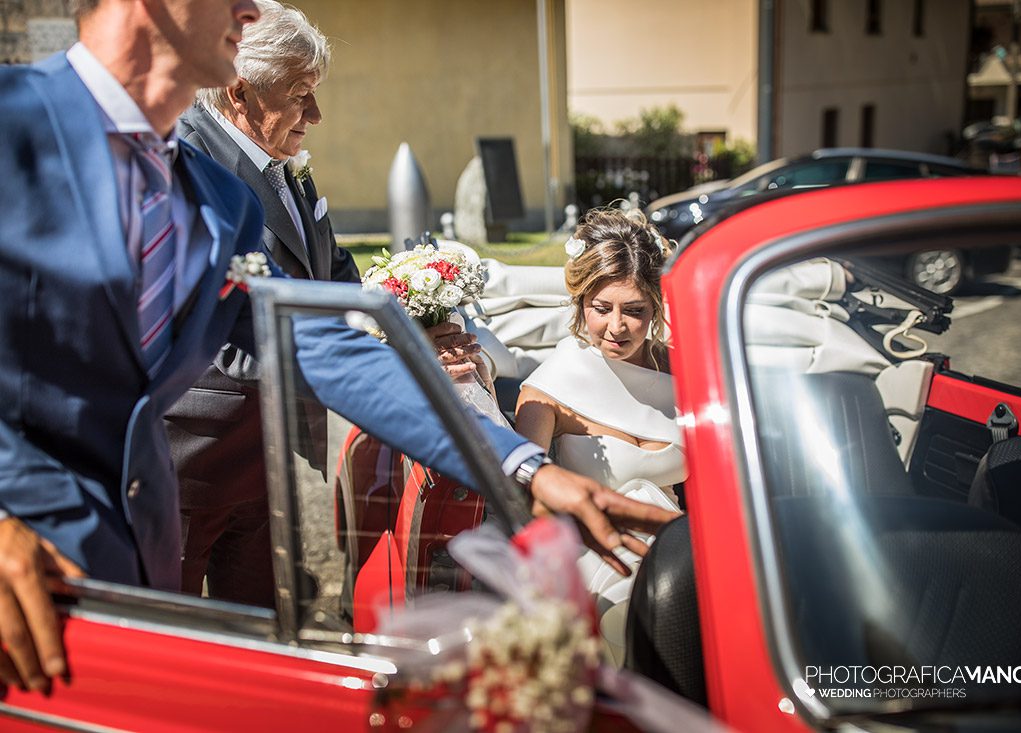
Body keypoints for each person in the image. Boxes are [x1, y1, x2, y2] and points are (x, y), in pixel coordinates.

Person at [0, 0, 675, 692]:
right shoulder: (11, 121)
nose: (248, 8)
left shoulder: (217, 199)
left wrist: (521, 465)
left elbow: (324, 347)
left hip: (126, 577)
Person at [164, 0, 484, 607]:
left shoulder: (281, 162)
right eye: (300, 94)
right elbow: (220, 329)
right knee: (172, 623)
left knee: (264, 618)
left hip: (268, 448)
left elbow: (335, 279)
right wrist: (381, 363)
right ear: (239, 91)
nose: (316, 113)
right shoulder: (186, 162)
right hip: (192, 455)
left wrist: (410, 331)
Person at [514, 208, 686, 663]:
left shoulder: (684, 370)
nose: (616, 327)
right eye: (601, 308)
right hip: (591, 554)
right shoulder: (547, 389)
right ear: (580, 304)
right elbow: (524, 500)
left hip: (680, 546)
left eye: (635, 311)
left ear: (656, 306)